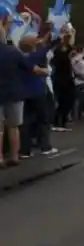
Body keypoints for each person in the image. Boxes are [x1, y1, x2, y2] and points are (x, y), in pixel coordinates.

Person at [18, 34, 57, 158]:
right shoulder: (35, 56)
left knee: (25, 121)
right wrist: (57, 37)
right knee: (43, 119)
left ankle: (25, 150)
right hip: (38, 92)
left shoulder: (19, 57)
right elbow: (47, 47)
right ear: (32, 45)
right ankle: (45, 147)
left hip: (24, 93)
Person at [0, 25, 33, 167]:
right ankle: (14, 156)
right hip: (14, 93)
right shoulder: (14, 52)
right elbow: (28, 67)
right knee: (13, 126)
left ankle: (0, 158)